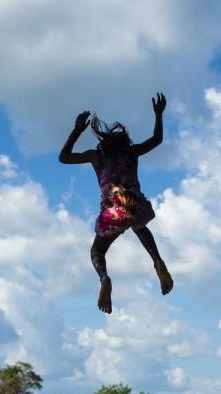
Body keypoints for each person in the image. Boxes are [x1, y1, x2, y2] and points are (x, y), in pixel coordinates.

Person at [59, 93, 174, 314]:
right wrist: (159, 115)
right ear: (125, 142)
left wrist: (77, 130)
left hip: (113, 213)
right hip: (136, 205)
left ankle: (104, 279)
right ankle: (158, 261)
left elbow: (64, 157)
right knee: (139, 226)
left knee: (97, 251)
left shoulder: (96, 155)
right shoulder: (132, 152)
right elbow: (156, 140)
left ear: (104, 142)